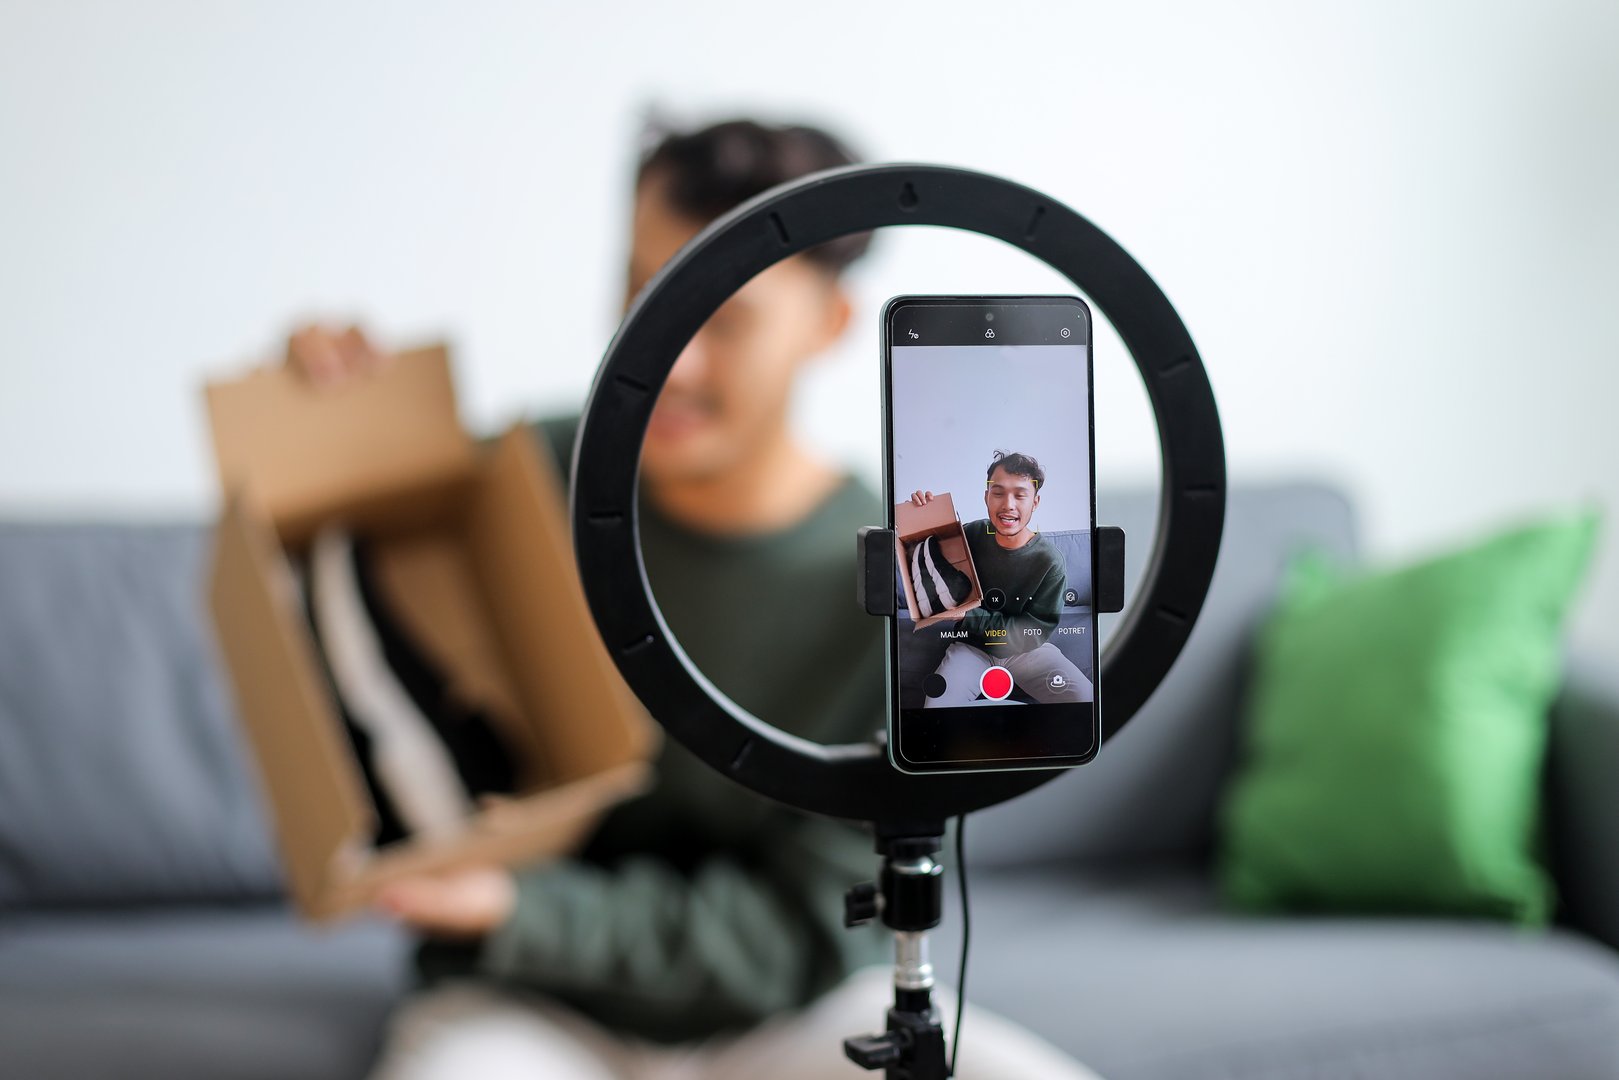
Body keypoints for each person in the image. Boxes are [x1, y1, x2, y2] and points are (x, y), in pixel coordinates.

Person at [285, 117, 1099, 1079]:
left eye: (723, 315)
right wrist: (320, 415)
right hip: (519, 1003)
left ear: (830, 325)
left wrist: (521, 907)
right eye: (644, 293)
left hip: (788, 1011)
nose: (671, 356)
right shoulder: (530, 478)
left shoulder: (914, 585)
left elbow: (800, 929)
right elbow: (329, 593)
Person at [909, 451, 1091, 706]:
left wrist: (968, 614)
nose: (1008, 504)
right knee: (936, 705)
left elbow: (1033, 632)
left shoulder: (1049, 561)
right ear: (986, 497)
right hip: (971, 647)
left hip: (1026, 651)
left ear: (1035, 502)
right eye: (998, 492)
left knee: (1086, 700)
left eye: (1020, 494)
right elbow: (926, 552)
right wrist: (921, 512)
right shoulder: (972, 533)